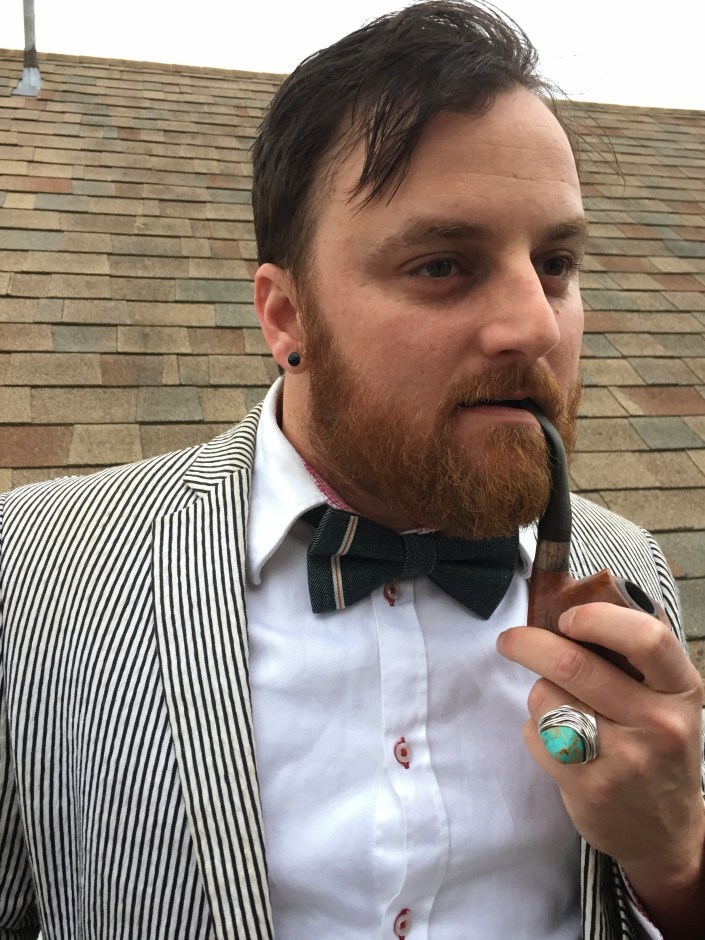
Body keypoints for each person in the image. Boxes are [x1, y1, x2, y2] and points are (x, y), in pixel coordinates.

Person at [1, 2, 703, 938]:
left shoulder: (630, 570)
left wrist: (675, 866)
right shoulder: (34, 569)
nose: (536, 325)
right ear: (285, 317)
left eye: (556, 263)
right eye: (442, 265)